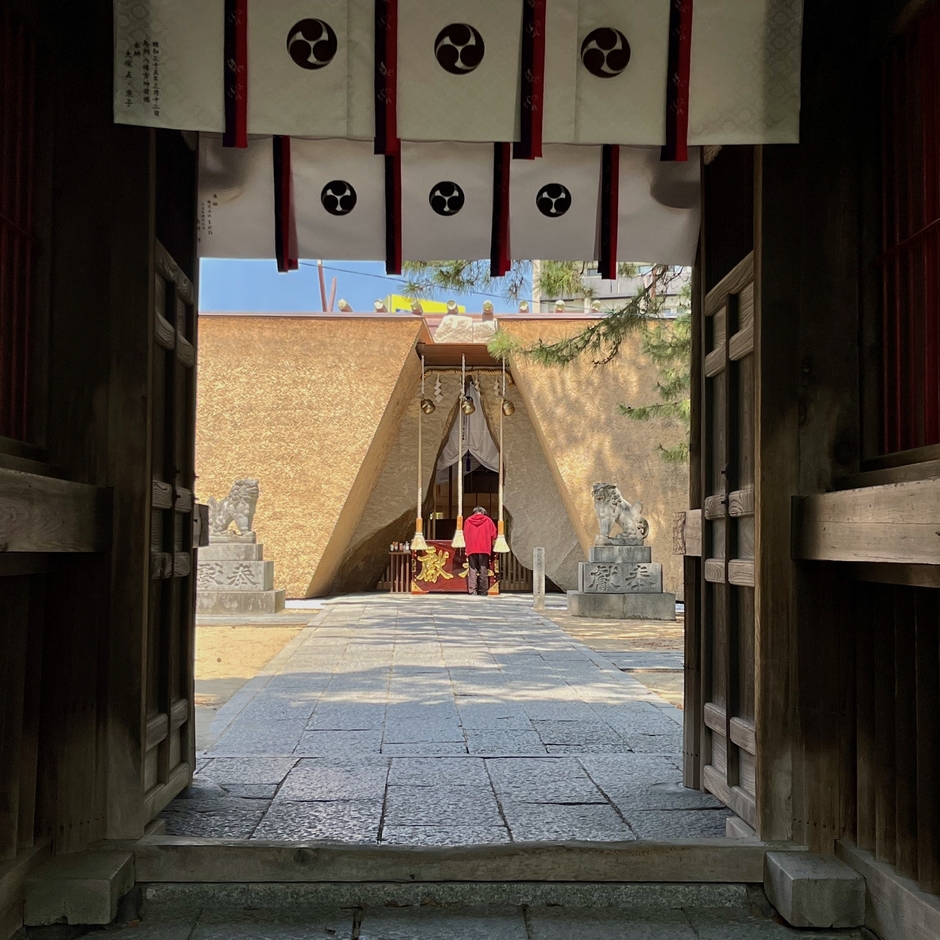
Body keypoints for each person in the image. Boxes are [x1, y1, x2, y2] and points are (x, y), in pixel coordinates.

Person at [463, 506, 497, 596]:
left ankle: (472, 590)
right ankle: (483, 590)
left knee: (472, 568)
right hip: (484, 547)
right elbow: (494, 534)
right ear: (483, 512)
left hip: (471, 548)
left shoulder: (468, 521)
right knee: (483, 568)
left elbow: (464, 534)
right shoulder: (488, 520)